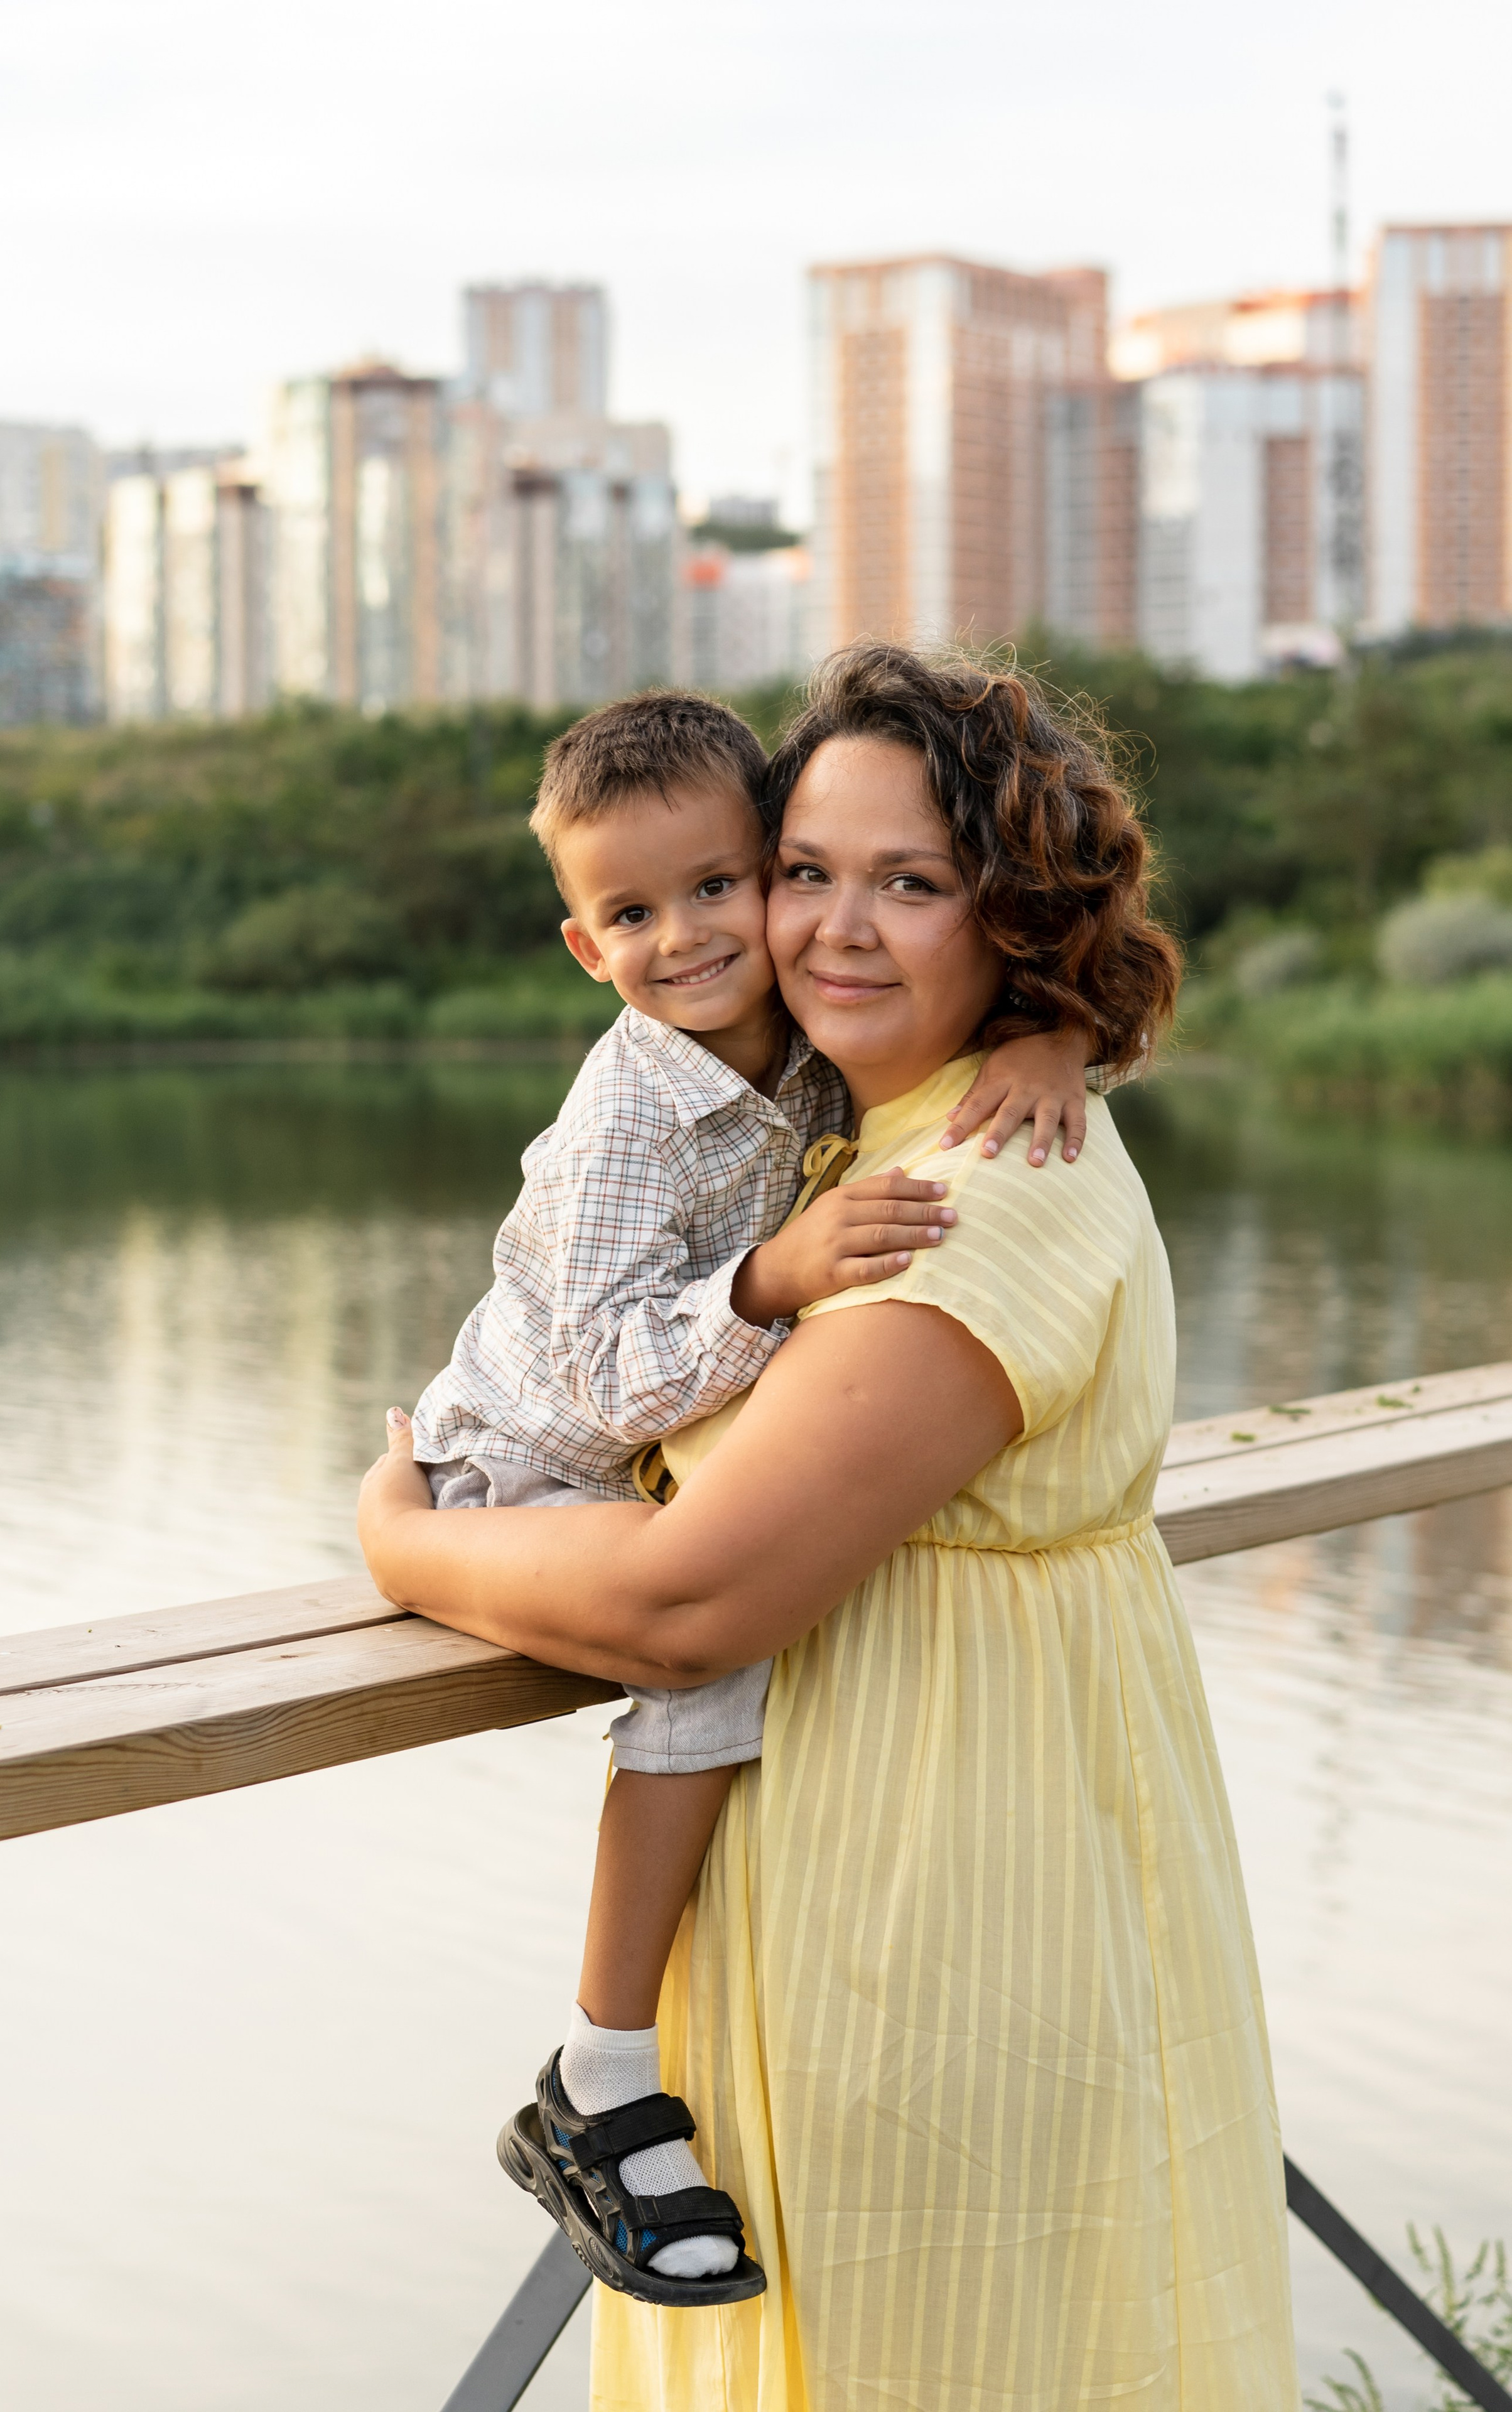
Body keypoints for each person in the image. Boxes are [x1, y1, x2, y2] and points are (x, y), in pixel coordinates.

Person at [362, 642, 1299, 2408]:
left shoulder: (970, 1191)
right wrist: (1057, 1023)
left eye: (912, 882)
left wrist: (403, 1548)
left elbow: (689, 1600)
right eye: (805, 872)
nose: (830, 929)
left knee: (926, 2350)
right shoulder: (877, 1120)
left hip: (935, 1915)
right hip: (959, 1856)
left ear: (1008, 912)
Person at [404, 686, 1099, 2302]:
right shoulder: (625, 1114)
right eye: (633, 914)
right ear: (584, 948)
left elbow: (1012, 980)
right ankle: (602, 2073)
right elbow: (601, 1385)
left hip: (630, 1464)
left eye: (722, 885)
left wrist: (1060, 1033)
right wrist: (770, 1280)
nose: (694, 937)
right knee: (701, 1651)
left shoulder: (808, 1032)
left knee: (720, 1620)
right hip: (522, 1467)